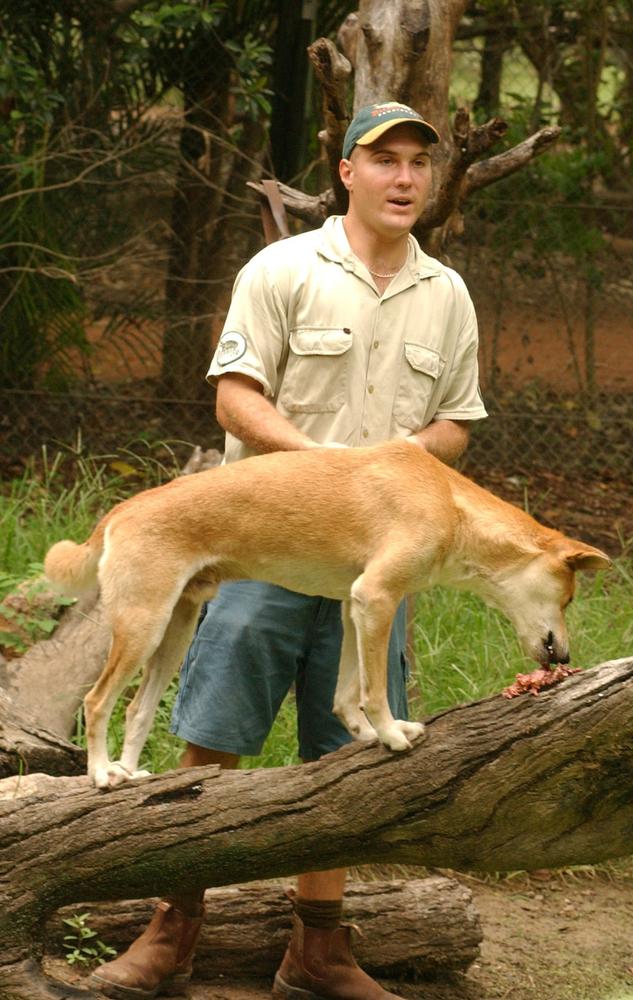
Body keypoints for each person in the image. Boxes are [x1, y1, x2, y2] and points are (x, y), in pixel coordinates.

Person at [91, 101, 488, 1000]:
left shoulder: (448, 293)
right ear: (345, 171)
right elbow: (235, 400)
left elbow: (456, 423)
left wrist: (393, 478)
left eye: (419, 163)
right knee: (213, 734)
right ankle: (171, 930)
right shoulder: (282, 269)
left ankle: (319, 951)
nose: (404, 177)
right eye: (384, 159)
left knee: (348, 756)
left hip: (378, 565)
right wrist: (334, 473)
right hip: (264, 543)